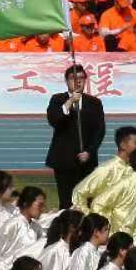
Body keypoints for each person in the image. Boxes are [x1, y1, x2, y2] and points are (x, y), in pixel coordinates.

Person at [45, 66, 107, 206]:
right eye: (73, 78)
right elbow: (54, 120)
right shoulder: (57, 99)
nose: (78, 81)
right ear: (66, 81)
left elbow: (99, 131)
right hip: (64, 161)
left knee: (87, 201)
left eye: (81, 78)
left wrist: (89, 152)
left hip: (86, 161)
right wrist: (70, 101)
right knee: (67, 201)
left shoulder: (94, 103)